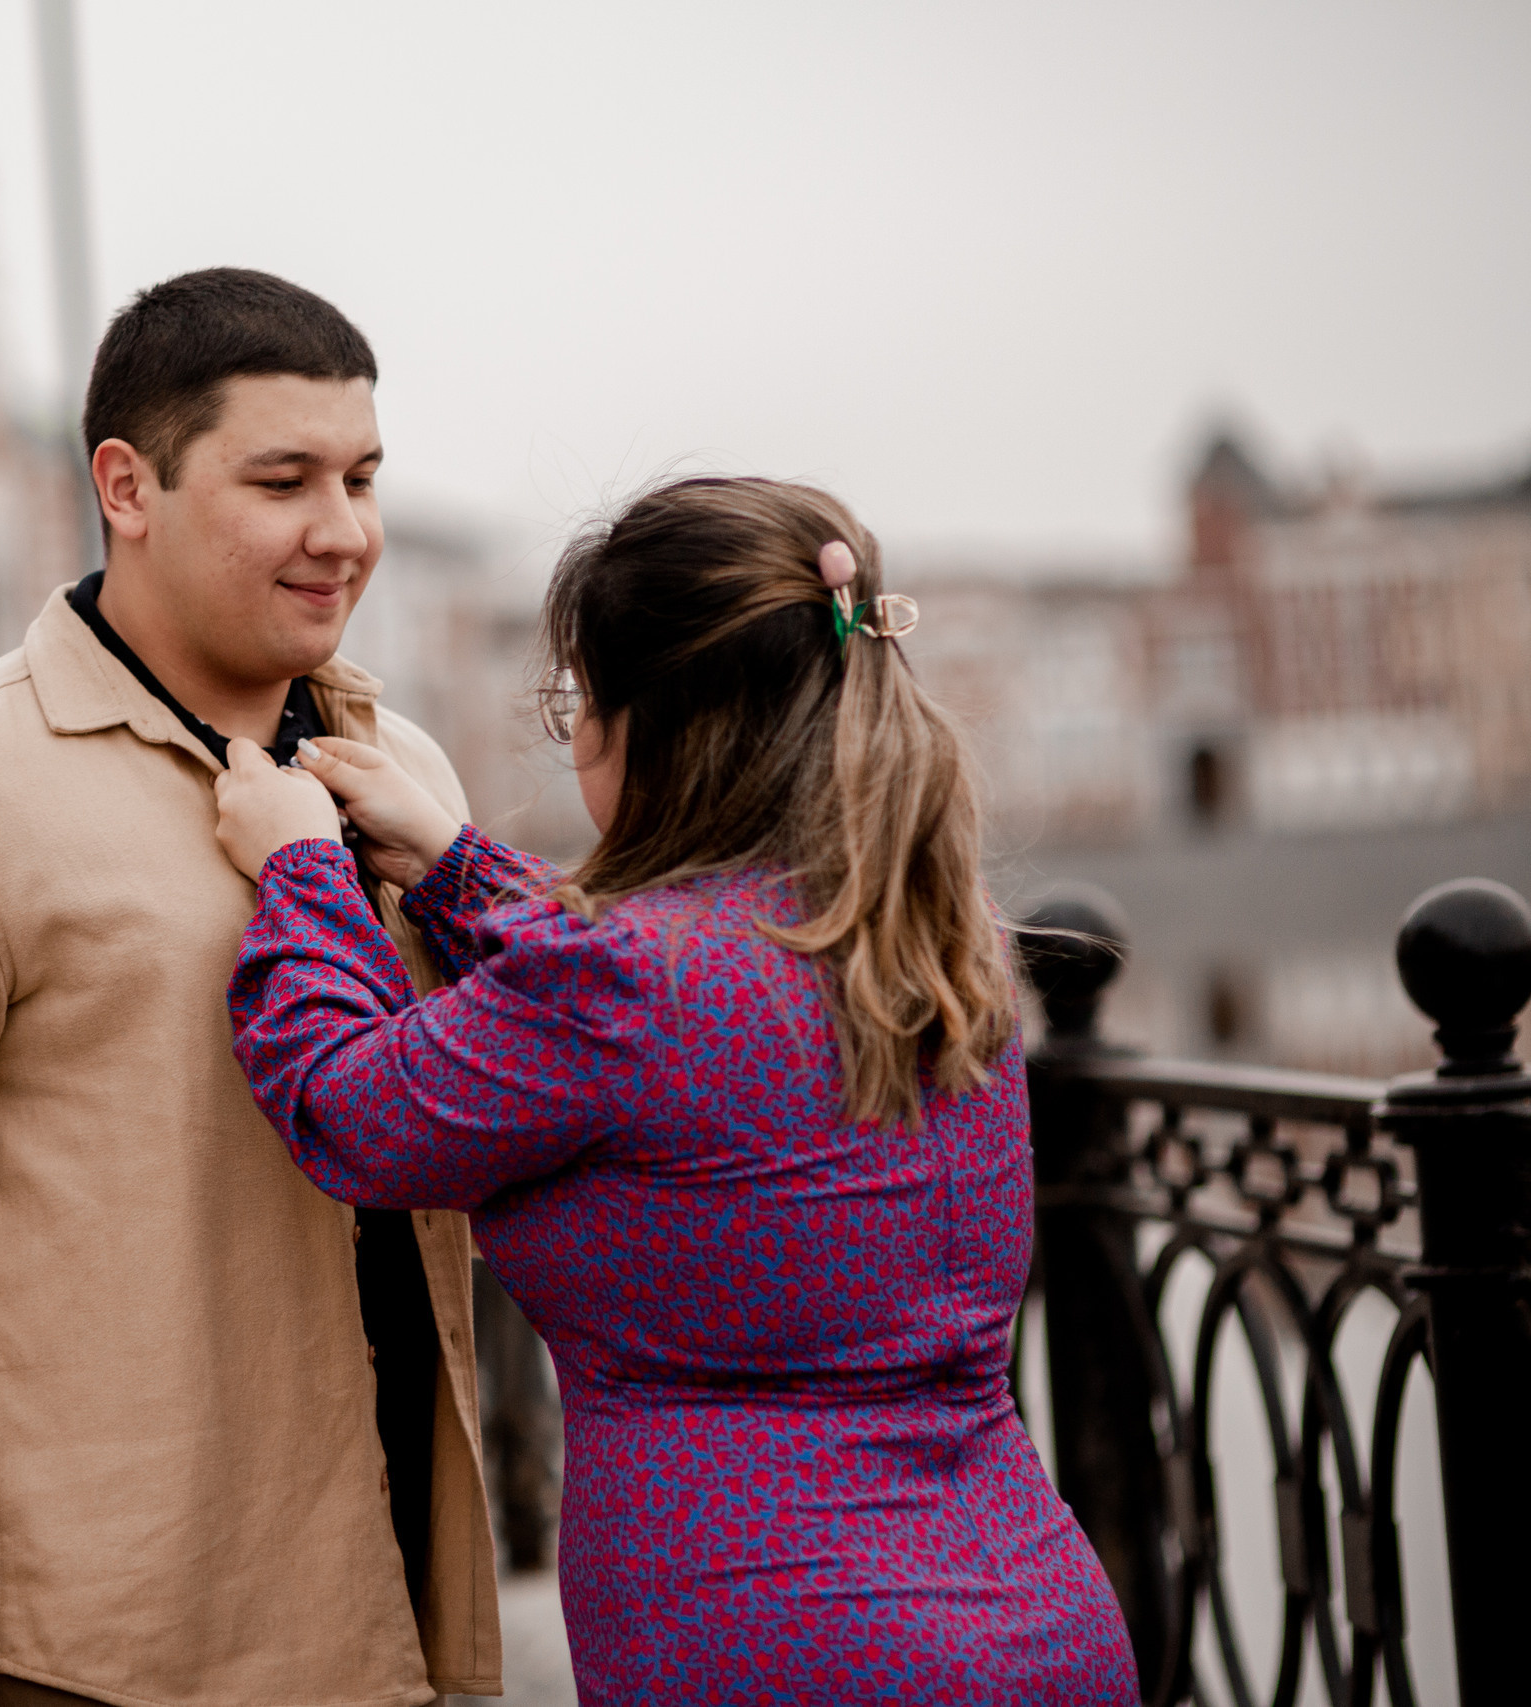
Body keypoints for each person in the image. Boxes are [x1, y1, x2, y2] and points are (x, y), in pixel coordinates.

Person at [212, 477, 1141, 1704]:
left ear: (650, 723)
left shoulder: (624, 984)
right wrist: (454, 867)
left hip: (776, 1647)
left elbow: (347, 1109)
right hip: (1036, 1621)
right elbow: (676, 1004)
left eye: (579, 703)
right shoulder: (930, 936)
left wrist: (299, 870)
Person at [0, 269, 502, 1707]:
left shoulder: (404, 769)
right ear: (126, 486)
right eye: (281, 480)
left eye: (360, 478)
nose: (343, 531)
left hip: (393, 1614)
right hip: (105, 1645)